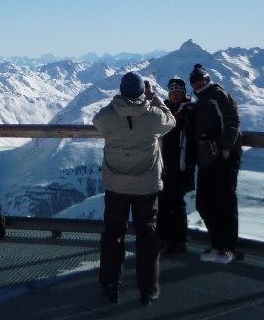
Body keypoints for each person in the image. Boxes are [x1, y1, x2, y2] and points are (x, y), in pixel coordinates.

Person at [92, 72, 175, 305]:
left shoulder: (108, 116)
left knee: (113, 234)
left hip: (115, 185)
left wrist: (116, 102)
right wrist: (154, 98)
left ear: (121, 91)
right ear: (142, 91)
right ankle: (148, 289)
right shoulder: (153, 117)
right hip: (146, 185)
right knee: (147, 235)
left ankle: (110, 285)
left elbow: (97, 120)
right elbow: (171, 119)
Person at [189, 63, 243, 264]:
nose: (196, 83)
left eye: (199, 79)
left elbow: (232, 120)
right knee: (204, 203)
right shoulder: (203, 99)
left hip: (223, 157)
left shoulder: (217, 94)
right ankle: (217, 243)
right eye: (193, 81)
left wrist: (226, 147)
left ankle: (227, 247)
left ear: (207, 78)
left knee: (226, 201)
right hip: (207, 159)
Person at [158, 76, 196, 256]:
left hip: (181, 163)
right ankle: (164, 239)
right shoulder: (164, 109)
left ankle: (180, 241)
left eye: (178, 92)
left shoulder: (191, 110)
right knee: (163, 202)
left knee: (177, 204)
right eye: (172, 92)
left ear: (183, 93)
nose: (174, 95)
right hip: (163, 162)